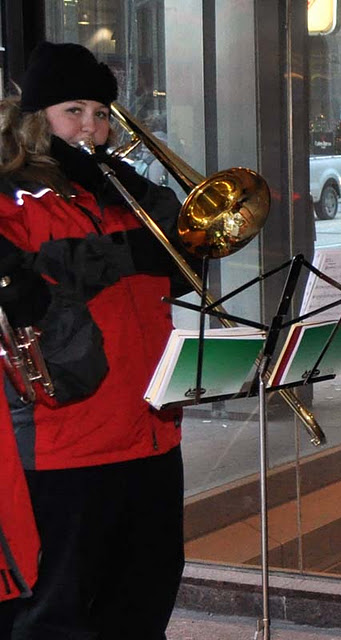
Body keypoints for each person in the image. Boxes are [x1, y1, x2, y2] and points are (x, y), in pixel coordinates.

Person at [0, 41, 192, 639]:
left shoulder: (122, 189)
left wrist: (175, 232)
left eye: (103, 112)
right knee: (57, 611)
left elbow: (185, 265)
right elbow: (30, 280)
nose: (93, 126)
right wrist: (117, 254)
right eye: (74, 110)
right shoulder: (14, 194)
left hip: (151, 428)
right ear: (38, 119)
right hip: (68, 438)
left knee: (145, 597)